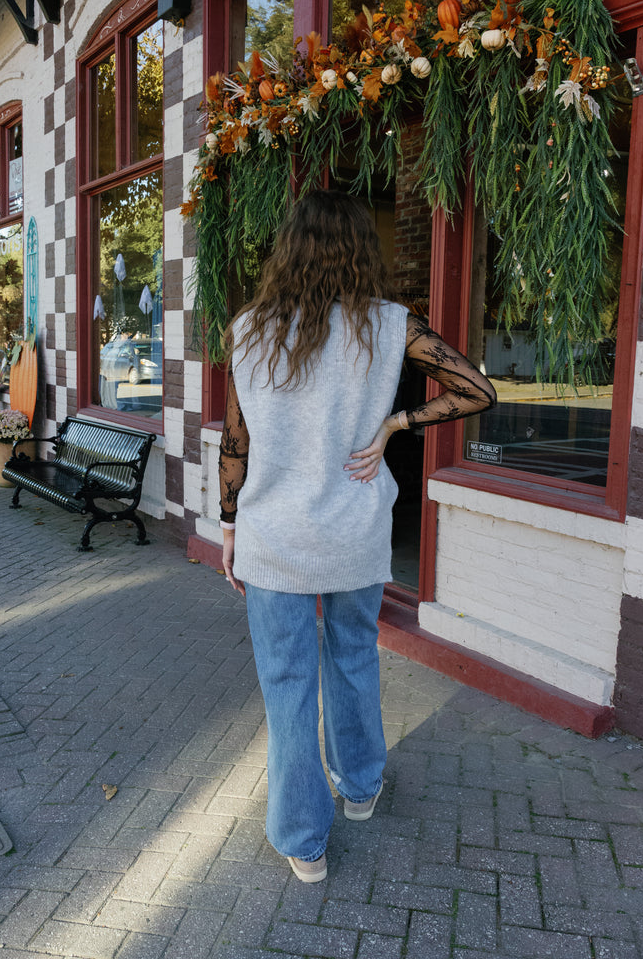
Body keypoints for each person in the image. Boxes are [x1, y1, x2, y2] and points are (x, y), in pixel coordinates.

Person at [219, 190, 496, 883]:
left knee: (287, 686)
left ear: (289, 248)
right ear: (359, 249)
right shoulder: (392, 325)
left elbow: (235, 442)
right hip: (356, 534)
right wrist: (395, 424)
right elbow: (477, 390)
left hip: (272, 536)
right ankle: (362, 787)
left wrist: (227, 526)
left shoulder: (248, 330)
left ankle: (304, 841)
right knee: (352, 660)